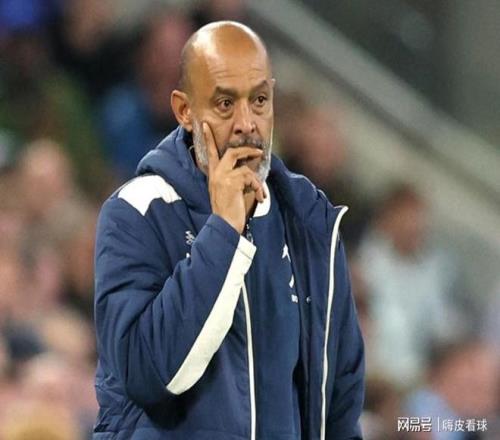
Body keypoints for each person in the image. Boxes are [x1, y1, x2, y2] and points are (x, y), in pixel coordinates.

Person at [93, 21, 365, 439]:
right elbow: (148, 373)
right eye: (224, 104)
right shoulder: (138, 212)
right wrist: (223, 230)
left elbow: (340, 405)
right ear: (184, 110)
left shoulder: (311, 223)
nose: (246, 123)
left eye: (259, 100)